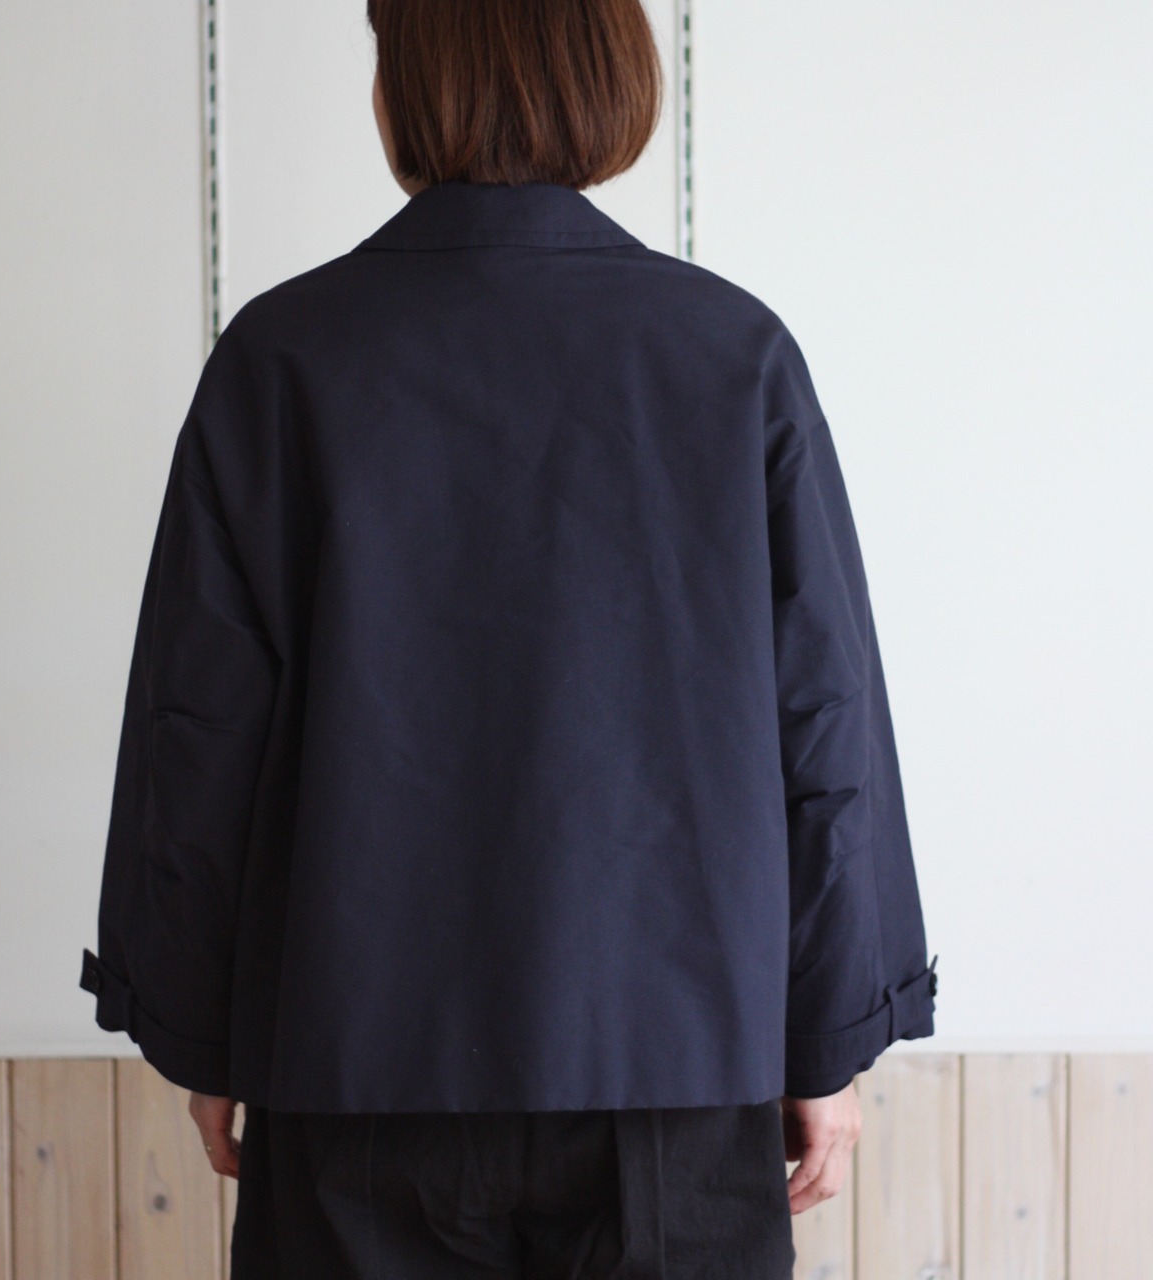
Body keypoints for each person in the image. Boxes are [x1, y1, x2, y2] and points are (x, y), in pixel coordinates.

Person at [79, 0, 938, 1275]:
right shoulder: (730, 355)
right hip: (675, 1069)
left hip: (357, 1069)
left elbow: (197, 726)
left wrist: (203, 1031)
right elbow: (822, 721)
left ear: (402, 86)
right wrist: (825, 1040)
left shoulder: (282, 356)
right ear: (609, 74)